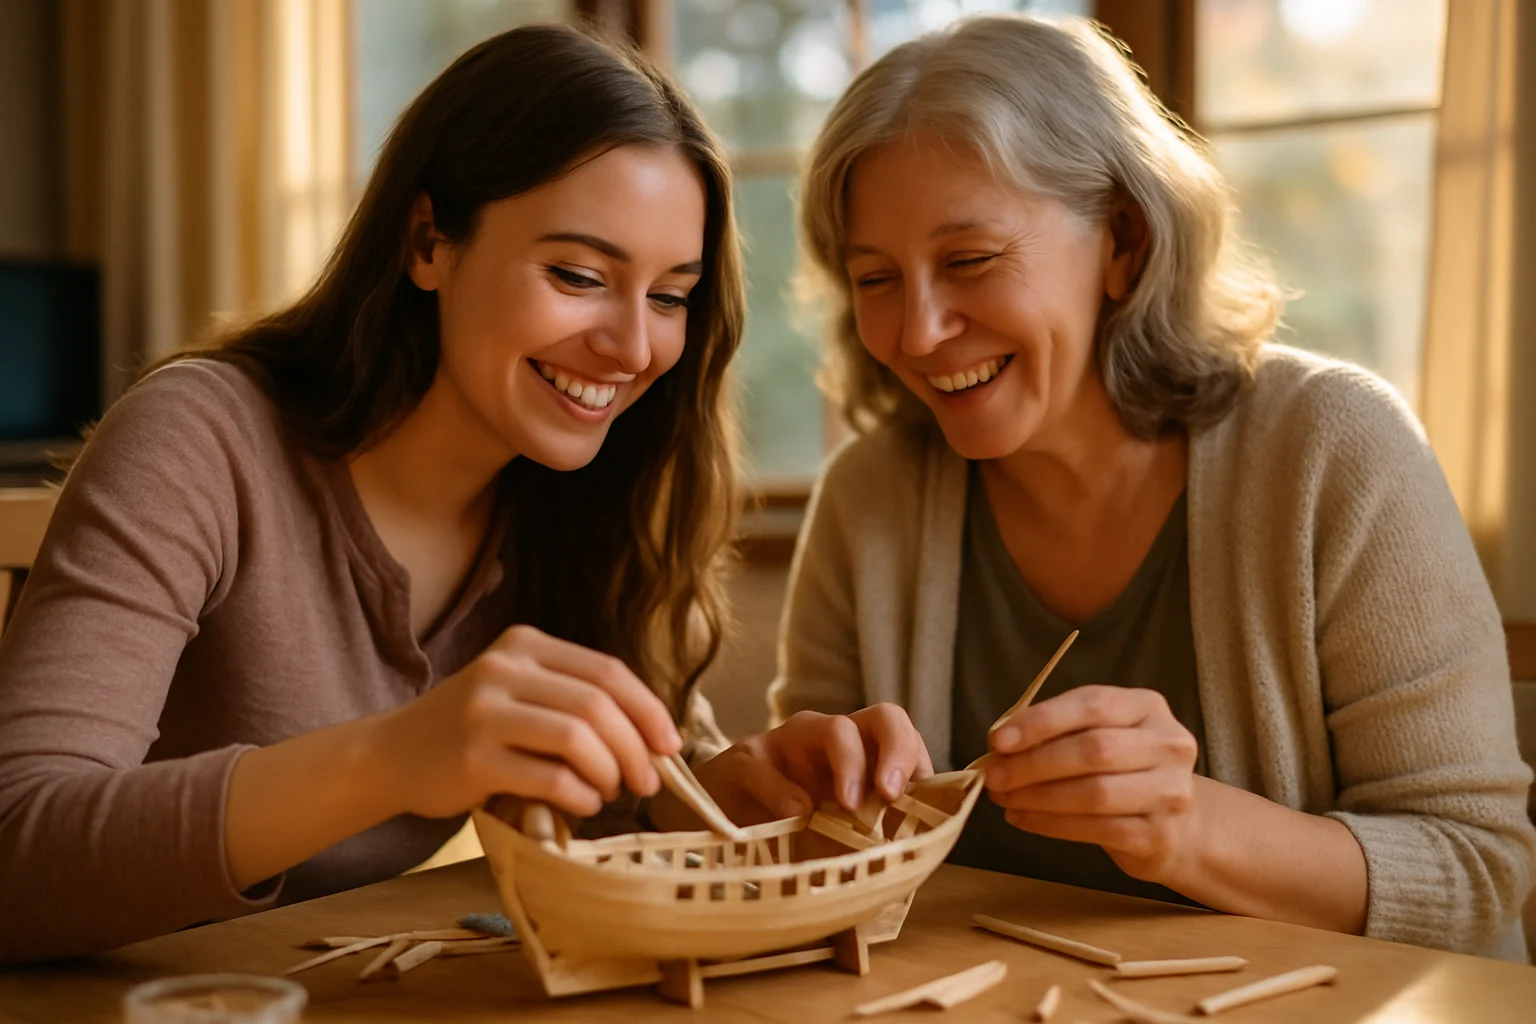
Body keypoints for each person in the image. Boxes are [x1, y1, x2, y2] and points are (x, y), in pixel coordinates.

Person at [692, 14, 1536, 960]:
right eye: (877, 278)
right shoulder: (869, 498)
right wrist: (797, 807)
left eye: (969, 260)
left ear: (1125, 243)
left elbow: (1475, 869)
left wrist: (1186, 828)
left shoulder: (1335, 449)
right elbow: (826, 870)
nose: (918, 332)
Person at [0, 24, 746, 963]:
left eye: (672, 295)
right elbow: (15, 853)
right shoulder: (202, 438)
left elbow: (631, 811)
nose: (635, 350)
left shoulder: (587, 498)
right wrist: (394, 757)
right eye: (579, 276)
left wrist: (750, 790)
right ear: (429, 242)